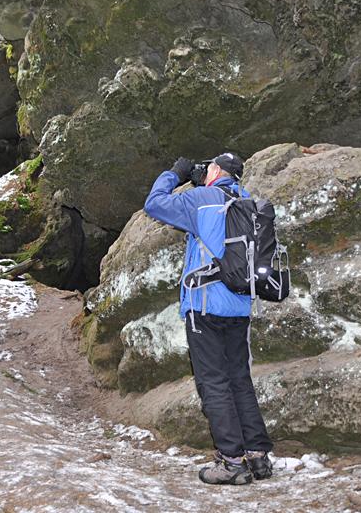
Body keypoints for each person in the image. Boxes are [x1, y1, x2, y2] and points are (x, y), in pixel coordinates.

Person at [143, 152, 273, 485]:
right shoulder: (248, 202)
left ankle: (231, 462)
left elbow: (154, 204)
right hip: (240, 306)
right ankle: (258, 457)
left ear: (216, 170)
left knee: (213, 383)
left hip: (205, 307)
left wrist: (176, 173)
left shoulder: (201, 199)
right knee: (240, 381)